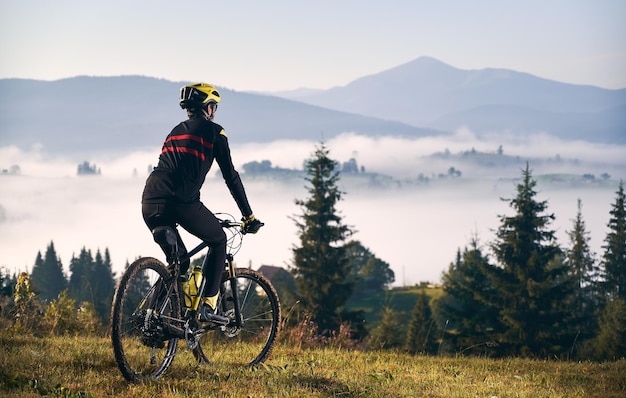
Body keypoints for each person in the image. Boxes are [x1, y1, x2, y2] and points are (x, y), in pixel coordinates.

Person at [141, 82, 262, 322]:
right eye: (213, 106)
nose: (214, 111)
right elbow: (231, 177)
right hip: (181, 202)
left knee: (179, 263)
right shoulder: (215, 133)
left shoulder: (175, 131)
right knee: (218, 239)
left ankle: (150, 317)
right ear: (207, 108)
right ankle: (207, 306)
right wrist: (248, 216)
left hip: (150, 200)